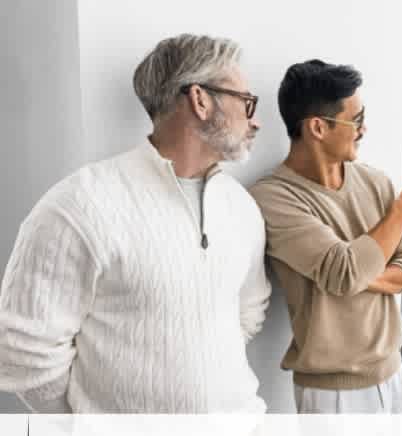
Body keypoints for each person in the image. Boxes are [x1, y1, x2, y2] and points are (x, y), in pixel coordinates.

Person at [0, 34, 272, 413]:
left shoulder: (242, 208)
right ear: (201, 99)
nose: (255, 120)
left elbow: (247, 311)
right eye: (246, 102)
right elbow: (23, 355)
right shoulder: (80, 205)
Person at [249, 60, 402, 413]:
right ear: (317, 128)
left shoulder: (375, 182)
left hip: (393, 373)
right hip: (332, 395)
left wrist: (356, 272)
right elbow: (344, 273)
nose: (363, 129)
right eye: (355, 120)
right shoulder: (274, 197)